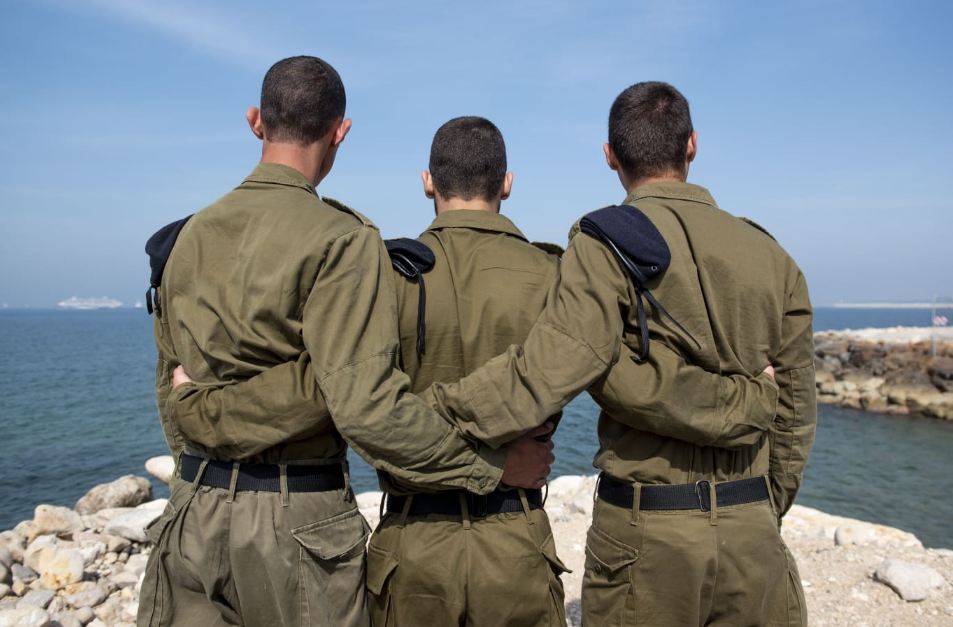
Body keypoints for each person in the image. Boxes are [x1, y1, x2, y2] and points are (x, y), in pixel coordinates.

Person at [169, 112, 784, 624]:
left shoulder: (384, 277)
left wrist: (201, 406)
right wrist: (752, 401)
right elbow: (623, 380)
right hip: (515, 538)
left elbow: (348, 399)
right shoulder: (556, 275)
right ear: (507, 184)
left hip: (410, 544)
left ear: (427, 183)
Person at [139, 57, 553, 627]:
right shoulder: (341, 239)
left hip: (192, 508)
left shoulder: (184, 238)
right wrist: (493, 468)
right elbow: (362, 406)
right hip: (296, 511)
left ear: (256, 121)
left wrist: (199, 423)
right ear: (341, 131)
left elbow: (171, 387)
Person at [422, 82, 817, 626]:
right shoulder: (773, 255)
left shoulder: (604, 242)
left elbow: (554, 369)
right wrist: (762, 505)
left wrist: (428, 412)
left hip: (649, 528)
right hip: (752, 525)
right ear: (692, 144)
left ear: (610, 156)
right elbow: (795, 413)